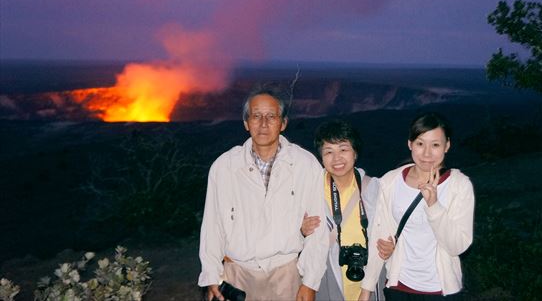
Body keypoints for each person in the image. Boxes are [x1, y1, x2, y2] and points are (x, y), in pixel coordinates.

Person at [198, 84, 329, 301]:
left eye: (271, 116)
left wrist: (310, 282)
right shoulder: (224, 167)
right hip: (236, 274)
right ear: (246, 123)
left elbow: (317, 229)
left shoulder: (305, 164)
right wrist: (211, 274)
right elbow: (213, 226)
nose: (264, 124)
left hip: (286, 274)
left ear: (283, 123)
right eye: (256, 116)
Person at [359, 112, 475, 301]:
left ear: (447, 146)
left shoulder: (459, 186)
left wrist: (434, 206)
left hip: (440, 291)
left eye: (435, 145)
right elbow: (379, 237)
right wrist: (366, 289)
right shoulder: (391, 181)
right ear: (410, 144)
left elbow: (457, 246)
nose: (427, 153)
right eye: (420, 144)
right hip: (399, 287)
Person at [301, 119, 393, 301]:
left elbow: (391, 231)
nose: (336, 159)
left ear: (355, 153)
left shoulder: (374, 189)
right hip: (326, 280)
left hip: (368, 281)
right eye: (328, 152)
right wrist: (301, 231)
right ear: (321, 157)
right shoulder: (310, 191)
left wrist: (391, 246)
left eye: (343, 149)